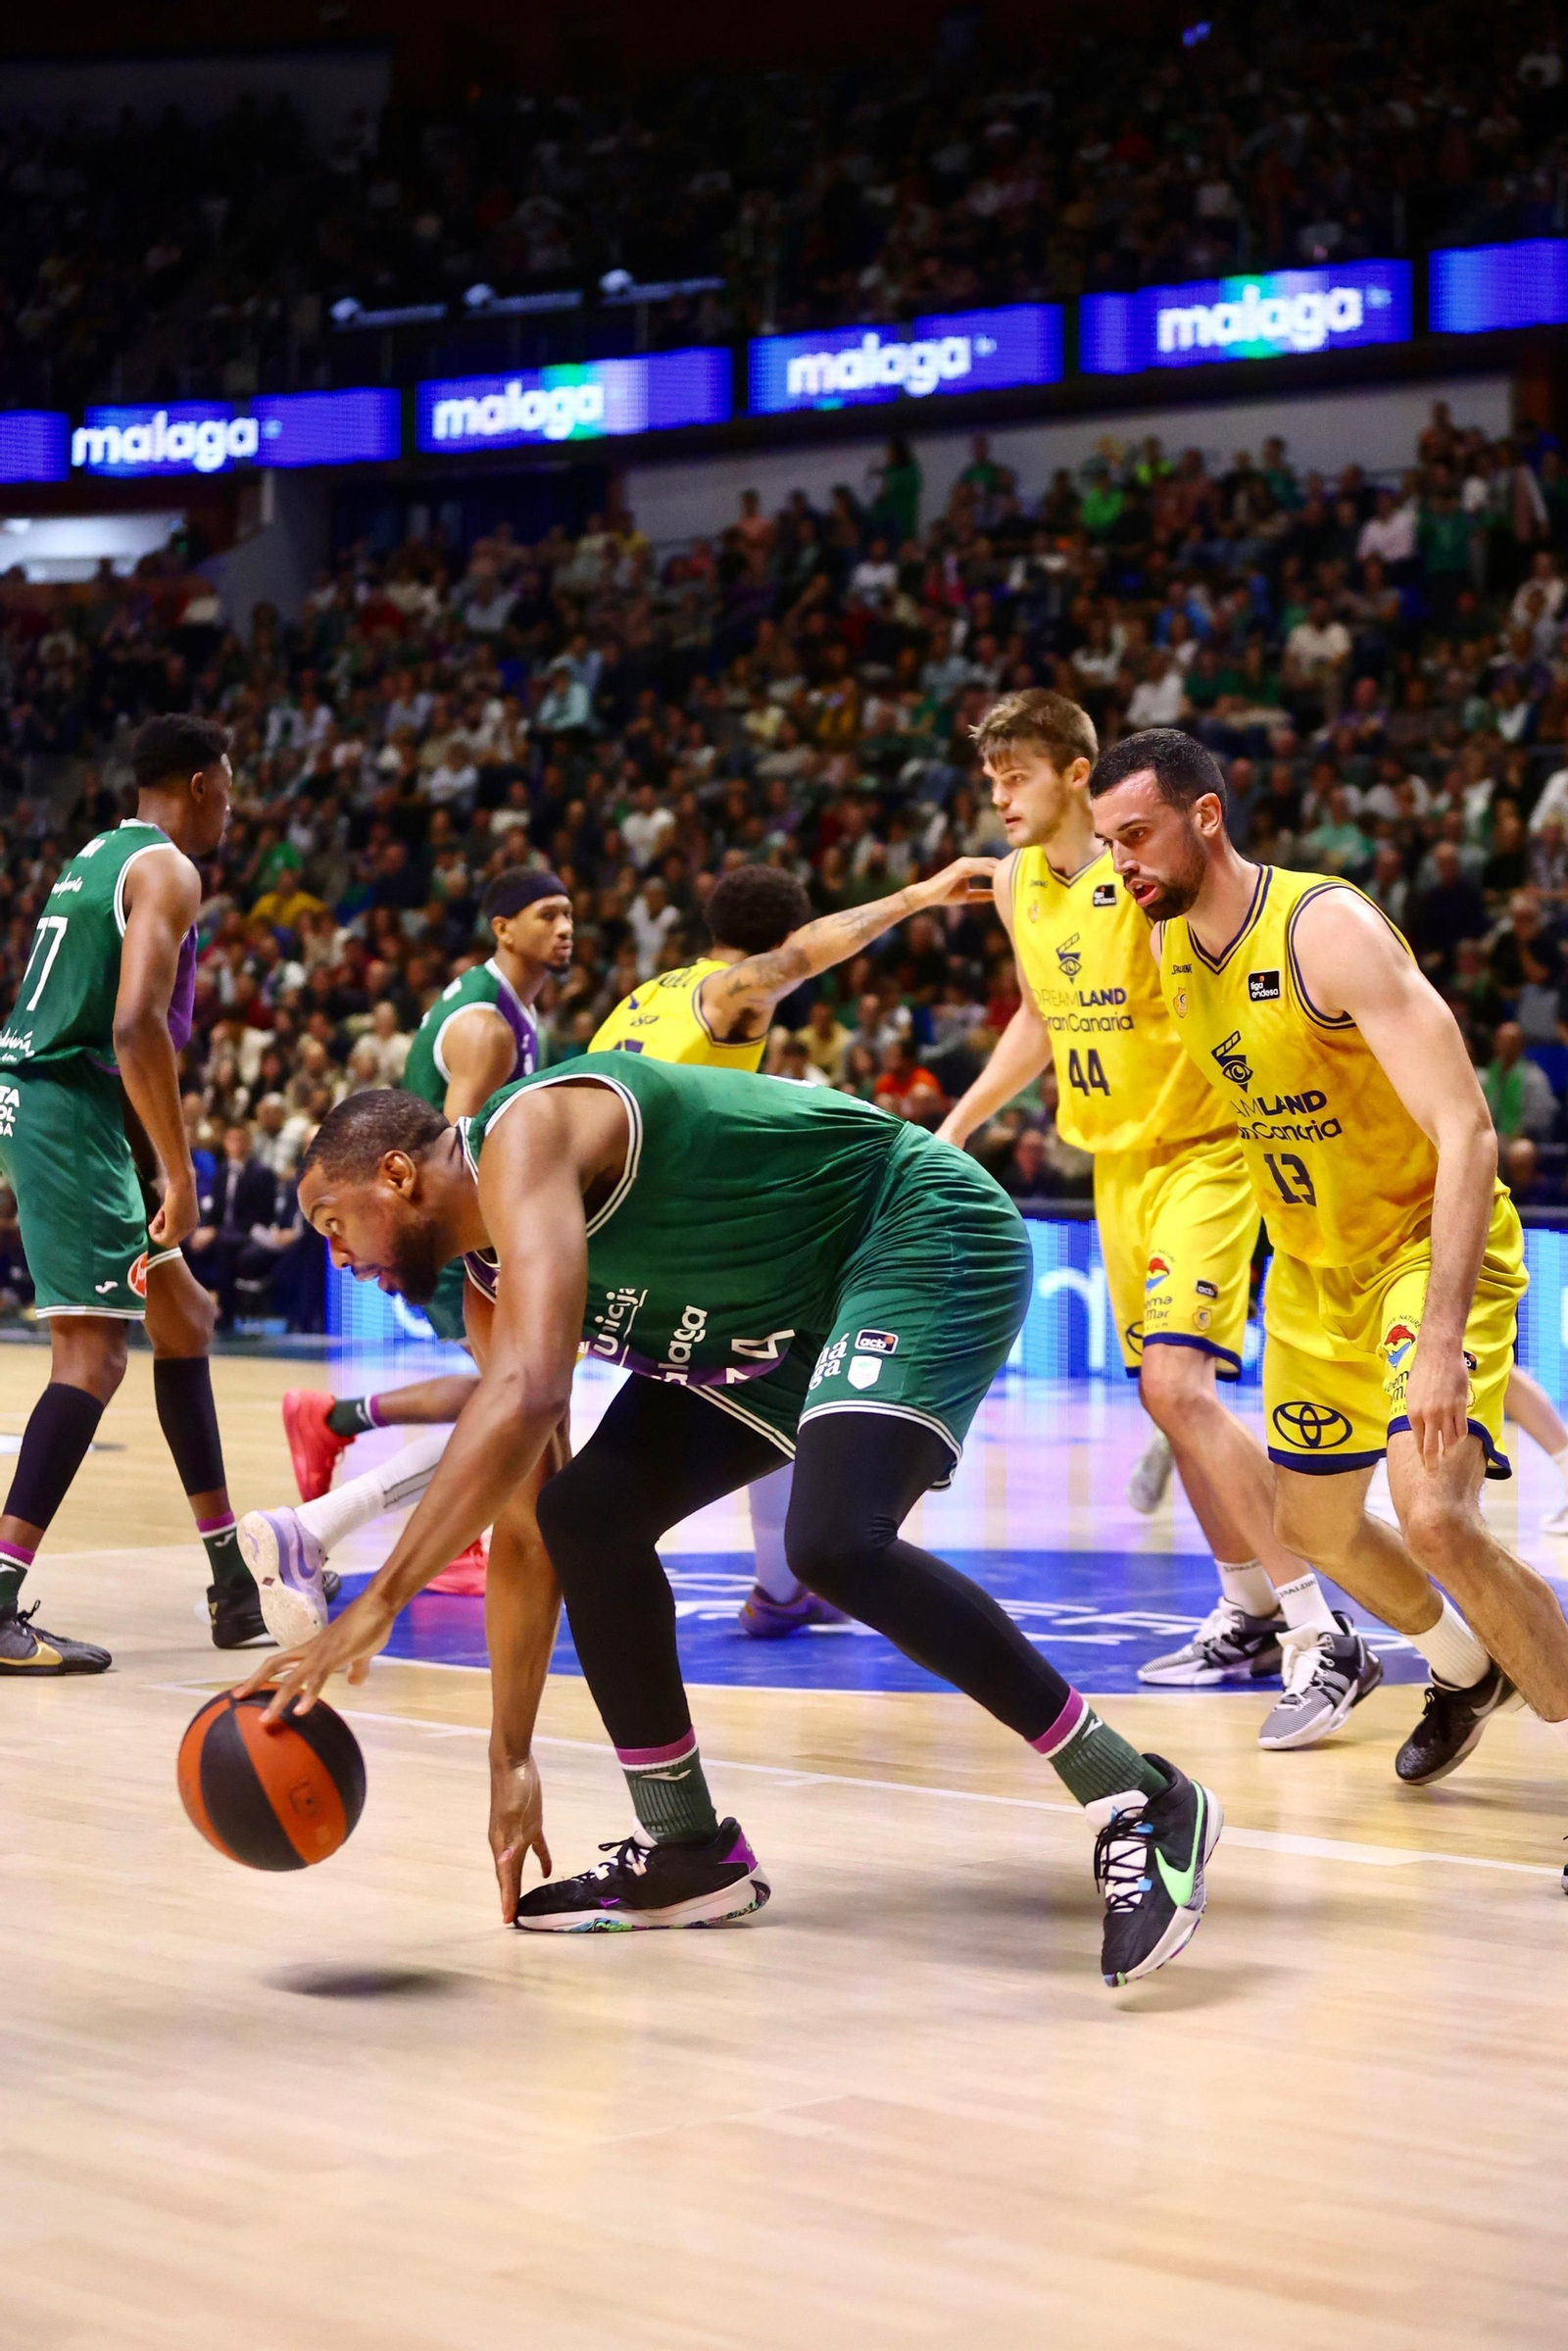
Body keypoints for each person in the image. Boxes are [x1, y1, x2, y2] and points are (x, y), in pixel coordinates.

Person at [249, 1068, 1225, 1990]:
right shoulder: (487, 1281)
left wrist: (380, 1597)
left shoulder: (526, 1131)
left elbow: (531, 1389)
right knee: (584, 1515)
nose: (338, 1256)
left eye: (335, 1223)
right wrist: (509, 1756)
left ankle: (1140, 1794)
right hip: (777, 1330)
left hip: (911, 1228)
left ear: (397, 1174)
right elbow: (530, 1529)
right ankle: (685, 1846)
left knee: (834, 1539)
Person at [1088, 726, 1568, 1814]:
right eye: (1108, 843)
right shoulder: (1172, 951)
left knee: (1435, 1515)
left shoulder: (1325, 929)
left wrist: (1439, 1339)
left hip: (1416, 1249)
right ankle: (1465, 1669)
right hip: (1312, 1272)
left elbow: (1468, 1130)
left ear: (1205, 816)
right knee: (1312, 1528)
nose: (1121, 864)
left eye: (1137, 835)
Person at [937, 691, 1368, 1749]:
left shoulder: (1143, 875)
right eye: (990, 779)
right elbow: (1039, 1019)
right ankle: (1248, 1609)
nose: (999, 797)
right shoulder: (1015, 885)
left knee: (1178, 1386)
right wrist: (956, 1124)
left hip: (1206, 1151)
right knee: (1167, 1403)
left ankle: (1322, 1629)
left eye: (1016, 776)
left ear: (1077, 773)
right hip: (1115, 1165)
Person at [592, 855, 999, 1638]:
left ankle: (780, 1587)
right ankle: (904, 1456)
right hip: (681, 1241)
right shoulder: (724, 994)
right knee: (806, 1347)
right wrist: (918, 895)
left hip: (629, 1236)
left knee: (767, 1381)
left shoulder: (649, 993)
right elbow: (800, 960)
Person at [239, 871, 575, 1637]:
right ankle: (336, 1524)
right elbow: (456, 1166)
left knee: (525, 1403)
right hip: (451, 1240)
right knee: (523, 1407)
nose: (564, 928)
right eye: (546, 914)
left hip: (467, 1232)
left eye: (568, 914)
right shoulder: (486, 1027)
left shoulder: (514, 1013)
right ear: (502, 927)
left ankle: (337, 1429)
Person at [0, 713, 270, 1668]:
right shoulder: (167, 868)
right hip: (66, 1108)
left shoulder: (94, 857)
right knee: (91, 1358)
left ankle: (232, 1585)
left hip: (65, 1105)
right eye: (228, 787)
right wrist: (181, 1171)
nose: (232, 806)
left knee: (185, 1320)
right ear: (199, 784)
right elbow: (132, 1026)